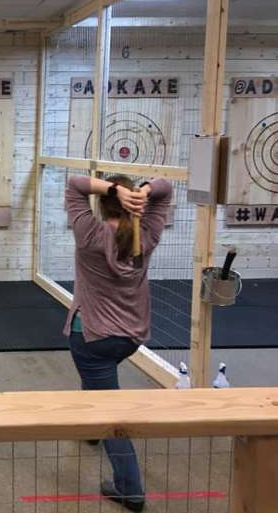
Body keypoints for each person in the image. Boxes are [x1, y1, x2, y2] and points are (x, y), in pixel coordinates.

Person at [64, 174, 172, 513]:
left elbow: (74, 184)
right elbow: (166, 188)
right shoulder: (147, 234)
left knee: (109, 409)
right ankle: (91, 428)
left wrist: (114, 190)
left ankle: (130, 489)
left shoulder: (90, 233)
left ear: (103, 203)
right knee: (98, 382)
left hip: (93, 338)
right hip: (130, 338)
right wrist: (144, 191)